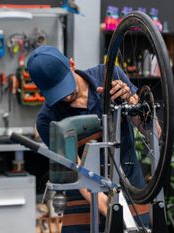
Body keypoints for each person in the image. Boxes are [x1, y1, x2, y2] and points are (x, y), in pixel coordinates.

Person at [27, 45, 150, 232]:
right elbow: (77, 172)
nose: (66, 96)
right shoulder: (47, 120)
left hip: (130, 191)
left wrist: (131, 101)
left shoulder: (109, 75)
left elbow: (152, 131)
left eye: (65, 85)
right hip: (83, 199)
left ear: (72, 64)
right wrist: (115, 216)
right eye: (57, 93)